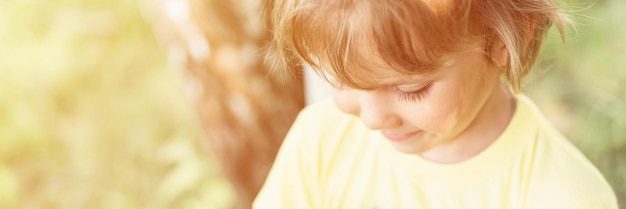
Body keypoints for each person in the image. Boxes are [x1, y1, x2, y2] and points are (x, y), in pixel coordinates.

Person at [254, 0, 618, 208]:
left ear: (504, 39)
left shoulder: (565, 196)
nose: (371, 119)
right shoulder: (320, 141)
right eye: (342, 80)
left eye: (410, 88)